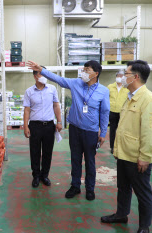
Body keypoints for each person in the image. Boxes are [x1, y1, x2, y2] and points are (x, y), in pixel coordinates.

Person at [26, 60, 110, 201]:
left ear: (96, 73)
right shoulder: (76, 83)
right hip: (75, 130)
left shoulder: (103, 91)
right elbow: (59, 79)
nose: (83, 72)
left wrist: (102, 133)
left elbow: (105, 112)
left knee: (90, 161)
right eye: (83, 69)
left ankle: (90, 189)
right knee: (75, 159)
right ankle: (75, 186)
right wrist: (42, 70)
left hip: (90, 131)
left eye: (87, 70)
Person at [100, 60, 152, 233]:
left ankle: (144, 226)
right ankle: (121, 214)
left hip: (137, 157)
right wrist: (117, 150)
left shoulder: (148, 100)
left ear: (135, 77)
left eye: (125, 74)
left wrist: (145, 157)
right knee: (123, 188)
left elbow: (150, 132)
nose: (122, 77)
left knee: (142, 192)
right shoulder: (130, 97)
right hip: (124, 153)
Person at [23, 66, 62, 188]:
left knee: (47, 152)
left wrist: (59, 121)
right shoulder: (29, 91)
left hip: (49, 126)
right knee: (34, 152)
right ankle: (36, 176)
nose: (45, 77)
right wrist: (25, 126)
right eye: (42, 74)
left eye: (46, 74)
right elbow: (27, 110)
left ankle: (45, 175)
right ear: (35, 76)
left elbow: (56, 106)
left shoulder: (52, 89)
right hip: (35, 126)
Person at [107, 70, 129, 154]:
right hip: (112, 111)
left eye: (121, 76)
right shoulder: (110, 86)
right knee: (113, 130)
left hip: (123, 112)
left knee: (122, 130)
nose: (119, 78)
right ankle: (112, 147)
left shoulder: (127, 87)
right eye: (118, 76)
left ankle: (121, 147)